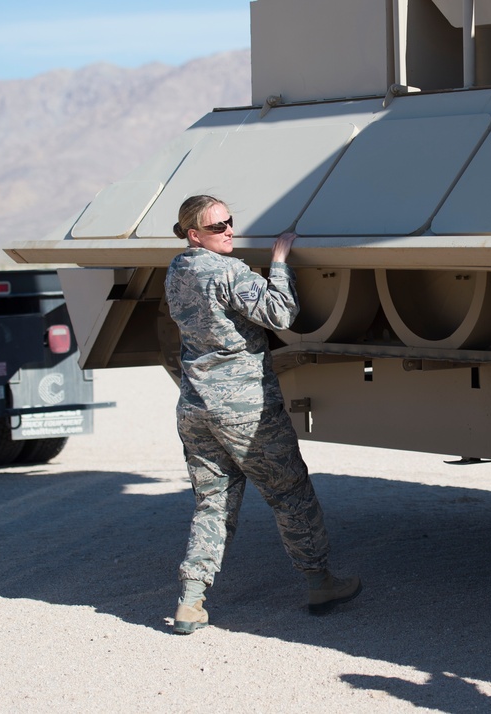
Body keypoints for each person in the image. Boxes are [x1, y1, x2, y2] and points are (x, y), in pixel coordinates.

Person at [165, 194, 361, 635]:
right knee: (290, 494)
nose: (229, 230)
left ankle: (190, 601)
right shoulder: (231, 272)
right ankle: (320, 584)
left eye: (229, 222)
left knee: (212, 504)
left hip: (195, 406)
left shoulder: (177, 268)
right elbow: (281, 314)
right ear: (195, 234)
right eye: (217, 227)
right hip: (245, 411)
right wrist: (278, 261)